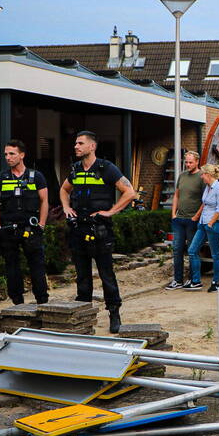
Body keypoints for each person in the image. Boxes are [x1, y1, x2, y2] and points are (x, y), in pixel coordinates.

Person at [60, 131, 135, 333]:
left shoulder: (106, 168)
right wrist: (66, 208)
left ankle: (114, 314)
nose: (76, 146)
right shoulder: (75, 169)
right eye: (75, 143)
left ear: (92, 146)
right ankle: (83, 318)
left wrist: (110, 212)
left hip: (100, 230)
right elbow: (64, 189)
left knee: (106, 275)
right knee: (82, 276)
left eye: (80, 143)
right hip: (79, 229)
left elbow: (130, 192)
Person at [0, 139, 50, 306]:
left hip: (31, 228)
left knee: (37, 265)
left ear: (22, 155)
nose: (8, 157)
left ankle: (42, 301)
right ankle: (18, 303)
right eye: (6, 154)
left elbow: (44, 201)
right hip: (8, 229)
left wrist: (41, 224)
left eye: (12, 154)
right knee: (12, 267)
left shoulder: (36, 177)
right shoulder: (0, 178)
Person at [165, 150, 203, 290]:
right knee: (177, 250)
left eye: (190, 162)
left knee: (192, 251)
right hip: (179, 219)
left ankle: (193, 280)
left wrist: (196, 216)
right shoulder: (182, 176)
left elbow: (205, 200)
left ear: (197, 162)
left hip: (192, 220)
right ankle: (178, 280)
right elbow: (176, 195)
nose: (187, 164)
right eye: (186, 162)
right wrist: (173, 214)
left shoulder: (201, 177)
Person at [186, 163, 219, 292]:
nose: (201, 176)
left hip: (214, 225)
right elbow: (204, 204)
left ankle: (215, 282)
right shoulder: (208, 188)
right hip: (203, 224)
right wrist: (197, 217)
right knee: (192, 250)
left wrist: (210, 223)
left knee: (215, 254)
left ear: (208, 175)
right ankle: (196, 281)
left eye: (202, 174)